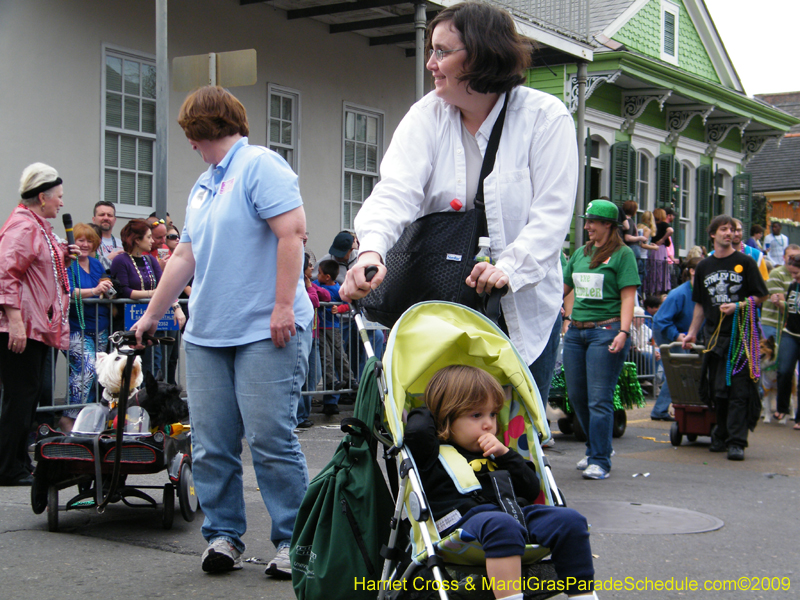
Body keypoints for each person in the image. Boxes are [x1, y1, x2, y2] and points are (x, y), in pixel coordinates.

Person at [341, 2, 578, 409]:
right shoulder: (426, 117)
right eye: (431, 50)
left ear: (483, 53)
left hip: (519, 311)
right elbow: (394, 192)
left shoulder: (545, 118)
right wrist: (372, 251)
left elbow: (552, 217)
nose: (431, 63)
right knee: (430, 438)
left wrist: (508, 267)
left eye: (442, 51)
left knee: (512, 446)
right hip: (434, 306)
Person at [130, 85, 313, 577]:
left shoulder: (260, 165)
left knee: (270, 438)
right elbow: (184, 257)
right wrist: (151, 316)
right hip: (209, 331)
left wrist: (281, 306)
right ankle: (223, 536)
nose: (189, 142)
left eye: (190, 133)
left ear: (200, 129)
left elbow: (291, 234)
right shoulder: (204, 184)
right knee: (211, 443)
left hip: (264, 327)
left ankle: (296, 541)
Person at [404, 365, 597, 600]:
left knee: (570, 520)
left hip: (512, 517)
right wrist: (436, 407)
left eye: (493, 414)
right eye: (476, 415)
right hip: (460, 524)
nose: (488, 424)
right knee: (500, 524)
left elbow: (531, 488)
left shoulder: (498, 454)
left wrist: (506, 455)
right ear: (445, 417)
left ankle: (583, 596)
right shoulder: (431, 453)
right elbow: (416, 432)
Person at [0, 163, 77, 486]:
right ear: (42, 197)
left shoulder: (37, 226)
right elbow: (6, 273)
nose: (61, 203)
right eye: (58, 197)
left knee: (27, 398)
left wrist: (65, 257)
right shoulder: (24, 226)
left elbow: (40, 266)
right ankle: (8, 467)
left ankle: (17, 462)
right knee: (21, 397)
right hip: (23, 329)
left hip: (35, 328)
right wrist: (15, 321)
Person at [562, 200, 640, 480]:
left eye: (592, 221)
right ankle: (596, 446)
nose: (586, 226)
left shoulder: (623, 255)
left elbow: (628, 296)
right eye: (586, 221)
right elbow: (564, 287)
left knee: (599, 398)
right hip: (575, 332)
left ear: (609, 225)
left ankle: (600, 459)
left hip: (606, 331)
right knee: (576, 395)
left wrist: (624, 331)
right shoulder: (580, 254)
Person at [683, 215, 768, 461]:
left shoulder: (746, 262)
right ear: (713, 234)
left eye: (732, 229)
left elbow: (760, 296)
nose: (729, 233)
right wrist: (691, 332)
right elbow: (700, 305)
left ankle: (737, 441)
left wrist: (738, 306)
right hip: (713, 337)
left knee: (739, 389)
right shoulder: (704, 267)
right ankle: (720, 433)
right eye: (724, 229)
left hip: (741, 335)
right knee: (718, 389)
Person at [62, 223, 114, 432]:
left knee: (99, 374)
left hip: (100, 325)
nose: (84, 244)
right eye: (80, 240)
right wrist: (93, 290)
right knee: (85, 370)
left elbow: (103, 286)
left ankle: (89, 420)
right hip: (76, 327)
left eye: (89, 240)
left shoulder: (96, 264)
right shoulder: (68, 264)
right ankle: (70, 418)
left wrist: (107, 289)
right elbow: (67, 291)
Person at [650, 257, 701, 421]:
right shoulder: (679, 294)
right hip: (667, 332)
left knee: (681, 371)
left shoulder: (702, 292)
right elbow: (660, 320)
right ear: (692, 271)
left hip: (685, 333)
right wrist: (676, 336)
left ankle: (688, 406)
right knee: (677, 372)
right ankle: (660, 410)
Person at [315, 259, 355, 415]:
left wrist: (339, 309)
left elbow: (348, 304)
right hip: (321, 328)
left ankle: (349, 379)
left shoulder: (338, 289)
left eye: (319, 273)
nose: (316, 275)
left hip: (335, 328)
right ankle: (332, 381)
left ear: (327, 277)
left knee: (340, 355)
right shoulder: (317, 285)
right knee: (327, 357)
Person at [297, 252, 330, 429]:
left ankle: (303, 413)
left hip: (314, 336)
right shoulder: (298, 286)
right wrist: (310, 288)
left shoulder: (309, 284)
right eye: (309, 265)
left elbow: (326, 297)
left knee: (314, 375)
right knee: (302, 377)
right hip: (303, 335)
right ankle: (299, 415)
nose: (312, 267)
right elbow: (314, 302)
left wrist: (311, 285)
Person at [772, 254, 800, 427]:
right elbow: (790, 310)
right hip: (791, 332)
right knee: (783, 370)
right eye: (792, 274)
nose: (794, 277)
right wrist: (779, 303)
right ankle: (782, 408)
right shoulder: (793, 286)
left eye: (797, 273)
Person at [761, 244, 800, 341]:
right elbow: (784, 307)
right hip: (774, 322)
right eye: (790, 256)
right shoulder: (776, 273)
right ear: (783, 257)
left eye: (797, 257)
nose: (793, 259)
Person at [92, 200, 123, 269]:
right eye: (102, 215)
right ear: (94, 219)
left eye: (109, 215)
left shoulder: (122, 244)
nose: (106, 218)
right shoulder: (88, 243)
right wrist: (108, 259)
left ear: (114, 220)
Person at [648, 208, 672, 295]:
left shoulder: (651, 225)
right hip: (660, 249)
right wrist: (662, 240)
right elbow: (670, 230)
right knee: (660, 271)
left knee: (652, 270)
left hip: (651, 248)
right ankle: (659, 292)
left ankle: (651, 291)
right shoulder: (664, 224)